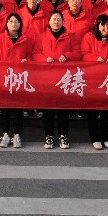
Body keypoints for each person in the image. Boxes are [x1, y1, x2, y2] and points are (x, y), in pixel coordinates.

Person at [34, 10, 81, 149]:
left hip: (64, 78)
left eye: (59, 19)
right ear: (49, 22)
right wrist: (44, 59)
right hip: (47, 78)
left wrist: (67, 56)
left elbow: (78, 53)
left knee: (63, 108)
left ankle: (63, 135)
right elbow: (35, 53)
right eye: (54, 19)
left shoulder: (70, 36)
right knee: (47, 109)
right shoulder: (42, 36)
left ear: (63, 21)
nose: (56, 21)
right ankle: (48, 135)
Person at [0, 12, 32, 147]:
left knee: (18, 108)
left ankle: (17, 135)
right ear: (6, 24)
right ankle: (5, 134)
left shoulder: (25, 39)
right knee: (5, 108)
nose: (13, 24)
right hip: (4, 77)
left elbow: (31, 55)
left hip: (19, 78)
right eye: (11, 21)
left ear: (20, 24)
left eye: (16, 21)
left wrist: (27, 61)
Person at [81, 13, 108, 150]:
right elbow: (84, 54)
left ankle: (106, 137)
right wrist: (95, 59)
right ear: (97, 26)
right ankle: (95, 138)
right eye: (103, 25)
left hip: (107, 78)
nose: (106, 28)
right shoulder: (89, 37)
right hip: (92, 77)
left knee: (106, 109)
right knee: (92, 109)